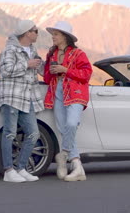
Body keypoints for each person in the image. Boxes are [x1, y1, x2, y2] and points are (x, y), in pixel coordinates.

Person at [0, 20, 44, 183]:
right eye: (35, 31)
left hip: (28, 98)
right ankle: (8, 171)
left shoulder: (32, 50)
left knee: (34, 133)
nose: (37, 33)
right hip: (12, 97)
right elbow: (5, 71)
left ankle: (21, 168)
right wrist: (27, 64)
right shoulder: (10, 50)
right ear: (27, 33)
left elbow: (37, 71)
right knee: (9, 133)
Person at [43, 21, 92, 182]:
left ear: (64, 36)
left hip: (76, 92)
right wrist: (50, 72)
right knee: (63, 128)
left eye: (55, 34)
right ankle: (77, 166)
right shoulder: (52, 55)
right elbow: (46, 78)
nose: (53, 37)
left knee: (71, 124)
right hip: (57, 92)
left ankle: (63, 155)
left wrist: (66, 70)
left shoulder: (79, 54)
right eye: (53, 35)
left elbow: (86, 74)